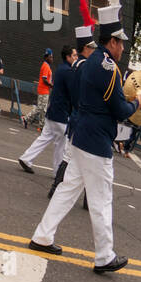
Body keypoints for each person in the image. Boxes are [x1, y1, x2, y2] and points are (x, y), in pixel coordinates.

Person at [28, 7, 141, 273]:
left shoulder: (91, 61)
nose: (123, 48)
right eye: (121, 43)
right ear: (112, 41)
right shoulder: (109, 67)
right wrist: (137, 103)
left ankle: (43, 236)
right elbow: (119, 110)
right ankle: (104, 256)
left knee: (67, 189)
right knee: (102, 198)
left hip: (81, 134)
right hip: (96, 140)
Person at [47, 24, 97, 200]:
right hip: (83, 117)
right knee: (89, 159)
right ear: (86, 47)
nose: (93, 50)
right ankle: (85, 199)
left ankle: (55, 188)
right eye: (91, 47)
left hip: (76, 115)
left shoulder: (76, 65)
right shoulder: (85, 66)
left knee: (70, 155)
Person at [17, 45, 74, 174]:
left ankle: (26, 158)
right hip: (60, 113)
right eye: (74, 55)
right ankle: (58, 172)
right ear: (68, 57)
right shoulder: (66, 71)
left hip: (53, 111)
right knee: (61, 144)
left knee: (44, 138)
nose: (52, 58)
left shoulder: (59, 69)